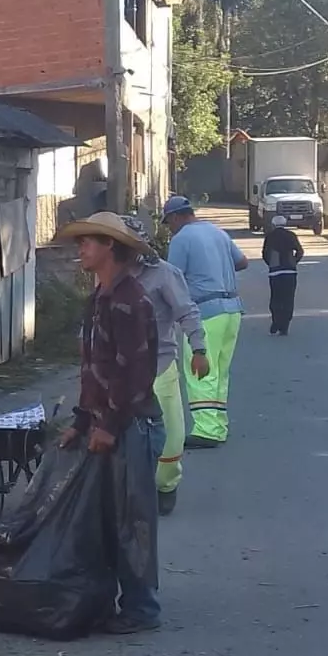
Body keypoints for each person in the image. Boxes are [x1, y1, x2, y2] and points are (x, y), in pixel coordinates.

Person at [55, 212, 164, 634]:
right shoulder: (99, 296)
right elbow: (93, 370)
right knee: (109, 517)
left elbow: (135, 374)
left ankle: (141, 608)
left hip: (132, 425)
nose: (80, 249)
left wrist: (109, 425)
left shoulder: (129, 300)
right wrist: (82, 421)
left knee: (132, 519)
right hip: (109, 423)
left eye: (89, 242)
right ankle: (120, 600)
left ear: (110, 248)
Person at [122, 217, 209, 517]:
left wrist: (199, 348)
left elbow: (187, 312)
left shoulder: (163, 275)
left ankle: (166, 485)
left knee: (169, 435)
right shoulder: (108, 276)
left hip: (158, 367)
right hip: (118, 371)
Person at [164, 195, 248, 448]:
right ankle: (218, 425)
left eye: (169, 222)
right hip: (232, 311)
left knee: (199, 371)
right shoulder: (218, 233)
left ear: (177, 217)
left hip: (205, 312)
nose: (169, 228)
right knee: (220, 372)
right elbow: (242, 262)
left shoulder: (181, 239)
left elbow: (170, 277)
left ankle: (206, 429)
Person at [262, 215, 304, 336]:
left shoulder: (270, 237)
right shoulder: (291, 235)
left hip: (275, 272)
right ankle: (285, 325)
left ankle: (276, 320)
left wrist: (271, 264)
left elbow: (265, 253)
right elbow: (300, 251)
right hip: (290, 271)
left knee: (276, 297)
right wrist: (293, 262)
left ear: (273, 224)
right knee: (288, 298)